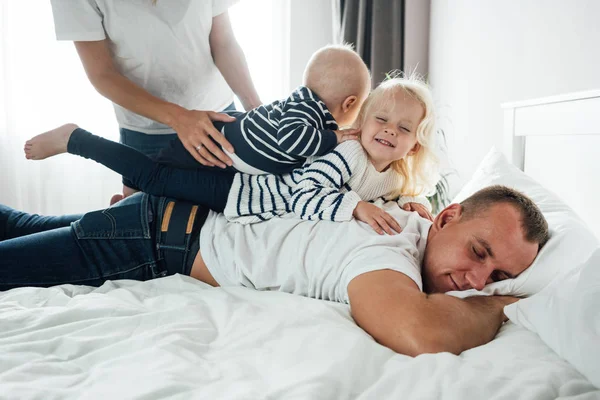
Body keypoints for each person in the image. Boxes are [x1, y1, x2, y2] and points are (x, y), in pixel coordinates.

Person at [0, 185, 550, 356]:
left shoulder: (402, 223)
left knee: (23, 224)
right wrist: (505, 305)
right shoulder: (387, 254)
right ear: (448, 215)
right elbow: (420, 331)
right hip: (153, 239)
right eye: (479, 252)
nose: (477, 282)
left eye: (499, 277)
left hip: (163, 213)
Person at [25, 74, 438, 233]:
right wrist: (356, 208)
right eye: (381, 119)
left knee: (157, 193)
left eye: (402, 128)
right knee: (154, 177)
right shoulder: (347, 154)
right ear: (361, 121)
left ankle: (124, 207)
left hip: (236, 191)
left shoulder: (394, 175)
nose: (388, 131)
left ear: (413, 144)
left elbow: (383, 192)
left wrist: (411, 204)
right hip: (239, 191)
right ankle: (76, 138)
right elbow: (305, 193)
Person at [50, 0, 262, 202]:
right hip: (147, 133)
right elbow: (102, 74)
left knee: (227, 218)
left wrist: (256, 112)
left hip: (218, 118)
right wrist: (179, 118)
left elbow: (223, 42)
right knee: (149, 230)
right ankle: (74, 140)